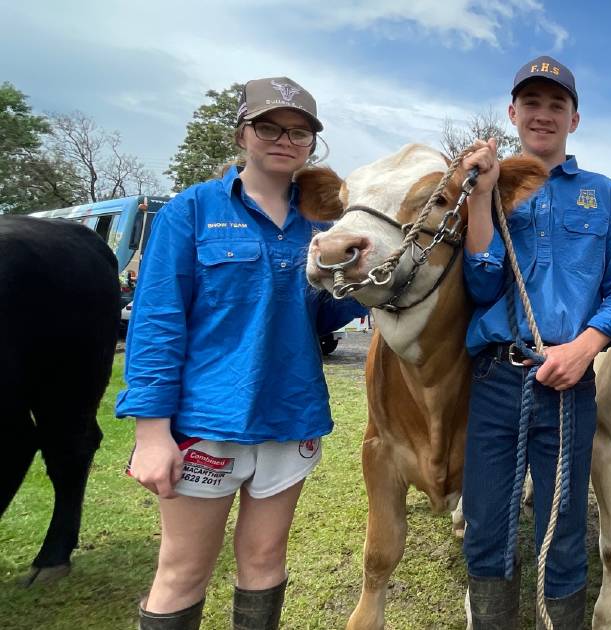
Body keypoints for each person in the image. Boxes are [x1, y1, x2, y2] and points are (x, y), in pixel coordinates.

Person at [117, 77, 365, 630]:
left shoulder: (322, 224)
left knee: (263, 561)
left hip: (289, 416)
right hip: (207, 421)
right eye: (270, 127)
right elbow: (157, 324)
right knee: (182, 570)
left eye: (300, 132)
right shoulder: (192, 211)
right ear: (242, 132)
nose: (286, 140)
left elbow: (320, 320)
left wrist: (352, 279)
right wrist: (151, 432)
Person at [457, 56, 611, 628]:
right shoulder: (487, 185)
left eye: (555, 104)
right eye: (531, 103)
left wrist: (583, 348)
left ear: (575, 118)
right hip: (495, 375)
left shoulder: (603, 195)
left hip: (568, 380)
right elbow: (482, 281)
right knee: (488, 523)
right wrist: (481, 198)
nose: (543, 114)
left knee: (563, 528)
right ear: (512, 112)